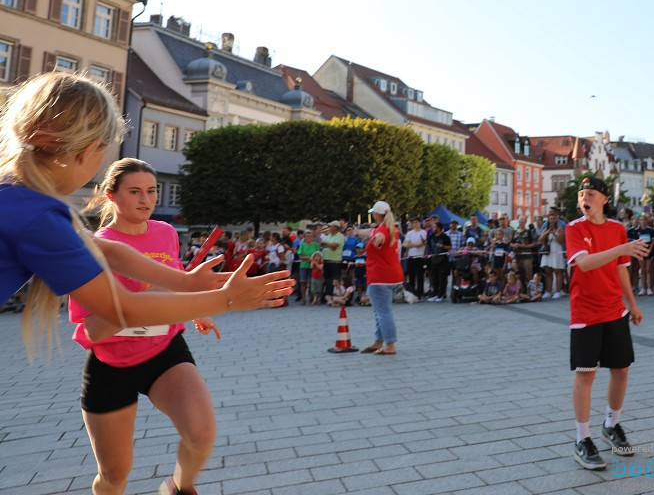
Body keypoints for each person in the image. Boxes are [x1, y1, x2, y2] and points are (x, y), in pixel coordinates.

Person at [0, 73, 292, 394]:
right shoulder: (38, 214)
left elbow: (106, 251)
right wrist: (229, 299)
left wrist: (184, 282)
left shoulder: (15, 193)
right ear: (88, 151)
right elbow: (123, 309)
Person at [69, 159, 222, 495]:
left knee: (201, 433)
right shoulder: (94, 247)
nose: (146, 199)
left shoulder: (166, 233)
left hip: (164, 352)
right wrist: (142, 298)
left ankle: (177, 487)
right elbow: (94, 330)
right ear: (112, 195)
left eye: (152, 191)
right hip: (111, 363)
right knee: (114, 474)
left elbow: (178, 284)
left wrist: (193, 309)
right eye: (135, 191)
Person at [565, 176, 648, 470]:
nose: (584, 199)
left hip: (615, 310)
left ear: (603, 200)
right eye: (581, 195)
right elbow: (585, 263)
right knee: (586, 374)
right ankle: (582, 439)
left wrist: (633, 305)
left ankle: (612, 424)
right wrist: (621, 250)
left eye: (590, 194)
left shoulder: (616, 229)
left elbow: (621, 270)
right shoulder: (574, 228)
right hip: (585, 311)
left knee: (621, 369)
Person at [356, 201, 402, 354]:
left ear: (377, 214)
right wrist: (356, 232)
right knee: (380, 310)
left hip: (379, 276)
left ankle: (390, 345)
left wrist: (376, 241)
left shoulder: (382, 230)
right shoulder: (391, 228)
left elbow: (378, 237)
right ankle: (378, 341)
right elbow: (371, 232)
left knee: (383, 312)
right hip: (391, 274)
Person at [540, 211, 566, 299]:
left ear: (556, 219)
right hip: (548, 252)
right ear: (548, 220)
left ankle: (558, 291)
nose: (552, 220)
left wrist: (554, 233)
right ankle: (548, 291)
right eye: (550, 219)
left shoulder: (559, 229)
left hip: (556, 252)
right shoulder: (546, 228)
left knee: (557, 272)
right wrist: (547, 233)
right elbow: (540, 240)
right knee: (548, 272)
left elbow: (561, 241)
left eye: (554, 218)